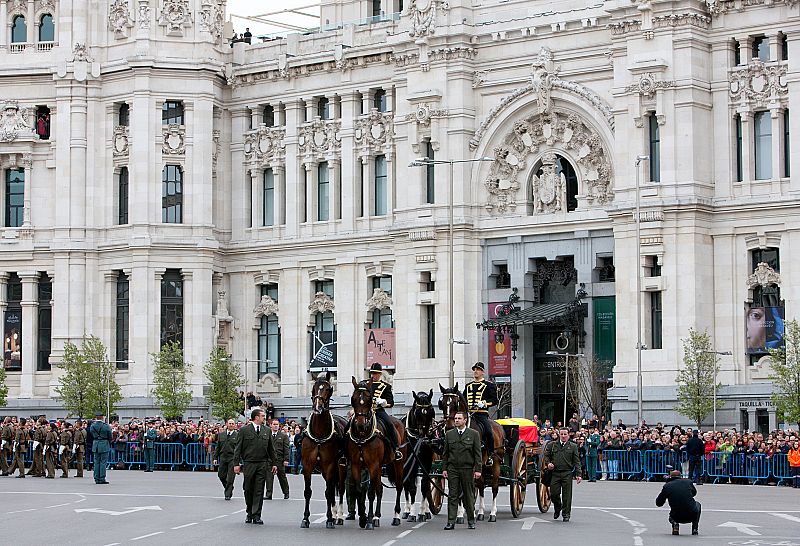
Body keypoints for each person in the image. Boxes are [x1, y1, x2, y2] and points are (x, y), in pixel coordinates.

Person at [233, 408, 278, 525]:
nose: (264, 418)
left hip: (262, 463)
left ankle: (257, 515)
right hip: (249, 463)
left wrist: (274, 463)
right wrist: (236, 464)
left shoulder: (266, 430)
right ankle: (249, 512)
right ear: (256, 417)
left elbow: (271, 449)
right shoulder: (244, 430)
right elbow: (238, 448)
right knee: (248, 489)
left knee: (259, 490)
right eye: (262, 416)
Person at [442, 411, 481, 530]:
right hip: (453, 468)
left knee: (468, 496)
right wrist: (444, 468)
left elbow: (477, 454)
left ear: (465, 420)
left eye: (459, 418)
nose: (456, 420)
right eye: (455, 418)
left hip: (467, 469)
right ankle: (451, 521)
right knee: (452, 495)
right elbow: (445, 453)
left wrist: (478, 470)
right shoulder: (449, 434)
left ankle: (471, 520)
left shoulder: (473, 434)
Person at [543, 427, 582, 522]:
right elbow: (546, 456)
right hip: (555, 473)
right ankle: (557, 507)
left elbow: (577, 461)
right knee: (554, 494)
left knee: (567, 496)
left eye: (565, 434)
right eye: (562, 434)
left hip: (567, 473)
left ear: (568, 435)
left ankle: (566, 514)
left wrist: (578, 474)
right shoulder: (552, 445)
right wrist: (548, 464)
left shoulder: (573, 446)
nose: (563, 436)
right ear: (558, 435)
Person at [464, 362, 498, 464]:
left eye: (478, 370)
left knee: (488, 431)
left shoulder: (489, 385)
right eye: (474, 369)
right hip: (469, 414)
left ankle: (490, 454)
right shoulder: (468, 386)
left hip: (481, 414)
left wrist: (485, 403)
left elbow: (494, 400)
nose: (475, 371)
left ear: (482, 372)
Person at [368, 362, 401, 460]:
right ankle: (344, 452)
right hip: (365, 411)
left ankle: (395, 448)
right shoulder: (365, 384)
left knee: (390, 424)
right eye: (372, 373)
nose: (373, 375)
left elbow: (391, 402)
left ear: (379, 374)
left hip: (378, 411)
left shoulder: (385, 386)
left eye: (375, 373)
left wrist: (383, 402)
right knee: (348, 425)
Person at [656, 469, 701, 535]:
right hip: (691, 516)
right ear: (681, 477)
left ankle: (675, 524)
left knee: (673, 513)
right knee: (698, 504)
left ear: (670, 477)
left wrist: (667, 494)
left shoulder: (667, 486)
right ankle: (695, 528)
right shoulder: (688, 482)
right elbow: (694, 493)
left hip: (676, 516)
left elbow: (659, 503)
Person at [214, 419, 238, 500]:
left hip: (232, 458)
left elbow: (239, 448)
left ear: (234, 425)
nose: (231, 425)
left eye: (232, 423)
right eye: (230, 423)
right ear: (227, 424)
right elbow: (218, 447)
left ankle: (227, 494)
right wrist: (215, 457)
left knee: (231, 477)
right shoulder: (221, 435)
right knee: (221, 475)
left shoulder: (237, 435)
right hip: (223, 457)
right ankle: (229, 487)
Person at [266, 418, 290, 500]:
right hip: (269, 460)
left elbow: (286, 449)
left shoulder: (283, 436)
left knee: (282, 477)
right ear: (271, 425)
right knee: (269, 478)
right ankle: (269, 494)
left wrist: (286, 459)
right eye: (274, 424)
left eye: (277, 424)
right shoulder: (267, 435)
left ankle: (286, 492)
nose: (276, 426)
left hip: (279, 459)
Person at [90, 412, 113, 484]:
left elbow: (91, 434)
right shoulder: (106, 426)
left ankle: (96, 478)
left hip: (96, 444)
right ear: (102, 417)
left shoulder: (92, 426)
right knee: (103, 462)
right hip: (104, 444)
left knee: (96, 462)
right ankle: (102, 478)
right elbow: (110, 436)